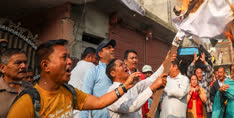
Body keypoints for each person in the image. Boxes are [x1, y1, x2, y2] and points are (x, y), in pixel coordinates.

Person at [7, 39, 140, 118]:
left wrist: (124, 86)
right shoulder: (27, 103)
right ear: (45, 65)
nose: (70, 62)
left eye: (69, 57)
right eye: (64, 58)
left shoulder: (69, 92)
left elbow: (99, 102)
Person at [106, 51, 174, 118]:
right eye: (121, 65)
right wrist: (152, 88)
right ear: (113, 73)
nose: (125, 66)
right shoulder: (112, 92)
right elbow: (131, 106)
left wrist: (165, 63)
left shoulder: (131, 86)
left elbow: (150, 80)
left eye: (124, 64)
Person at [80, 40, 116, 118]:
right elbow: (85, 100)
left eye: (112, 47)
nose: (112, 49)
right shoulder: (93, 72)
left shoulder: (117, 72)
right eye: (108, 48)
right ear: (100, 54)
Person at [69, 47, 98, 118]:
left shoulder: (76, 68)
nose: (97, 62)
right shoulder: (90, 66)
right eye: (96, 58)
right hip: (82, 108)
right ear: (89, 56)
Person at [0, 48, 29, 117]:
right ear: (3, 68)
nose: (23, 66)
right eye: (18, 63)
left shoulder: (32, 89)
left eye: (25, 62)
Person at [187, 52, 213, 117]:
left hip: (207, 108)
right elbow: (188, 72)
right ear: (195, 74)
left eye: (201, 73)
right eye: (198, 73)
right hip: (195, 109)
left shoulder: (206, 79)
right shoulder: (194, 82)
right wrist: (194, 61)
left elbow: (211, 71)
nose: (200, 74)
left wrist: (204, 62)